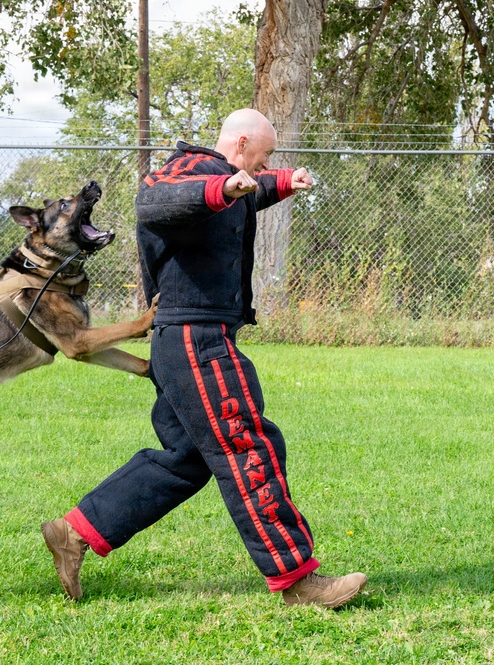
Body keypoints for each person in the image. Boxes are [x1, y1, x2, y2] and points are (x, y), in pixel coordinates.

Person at [41, 108, 367, 609]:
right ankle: (296, 578)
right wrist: (225, 190)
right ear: (240, 144)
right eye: (265, 156)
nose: (264, 167)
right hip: (196, 340)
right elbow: (153, 202)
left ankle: (76, 531)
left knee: (190, 458)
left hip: (191, 339)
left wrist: (284, 182)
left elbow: (244, 193)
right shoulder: (185, 171)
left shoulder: (229, 182)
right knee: (247, 443)